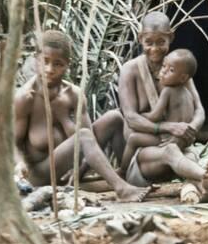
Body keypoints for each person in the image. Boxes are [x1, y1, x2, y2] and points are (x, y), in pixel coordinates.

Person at [15, 30, 151, 202]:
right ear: (36, 59)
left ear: (67, 65)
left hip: (68, 168)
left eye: (58, 64)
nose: (49, 69)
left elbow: (91, 141)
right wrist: (20, 165)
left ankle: (129, 179)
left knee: (114, 118)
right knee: (83, 136)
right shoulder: (26, 98)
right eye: (45, 61)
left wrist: (79, 170)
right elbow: (14, 144)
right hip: (40, 174)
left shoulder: (74, 95)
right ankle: (122, 190)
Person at [118, 12, 208, 202]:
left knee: (186, 155)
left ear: (171, 37)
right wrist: (168, 127)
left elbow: (199, 110)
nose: (155, 49)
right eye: (149, 42)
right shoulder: (130, 70)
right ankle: (205, 177)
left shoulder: (178, 68)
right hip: (145, 156)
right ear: (140, 38)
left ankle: (203, 188)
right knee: (172, 151)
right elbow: (131, 117)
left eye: (161, 42)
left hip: (179, 146)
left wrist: (190, 129)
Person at [119, 48, 199, 172]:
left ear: (183, 78)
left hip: (167, 137)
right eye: (164, 67)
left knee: (133, 139)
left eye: (171, 70)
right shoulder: (187, 93)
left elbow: (155, 116)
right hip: (184, 140)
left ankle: (123, 171)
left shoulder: (167, 91)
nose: (163, 72)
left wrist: (141, 116)